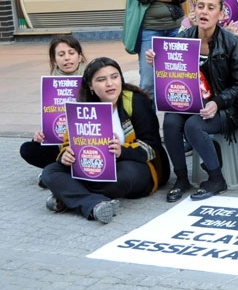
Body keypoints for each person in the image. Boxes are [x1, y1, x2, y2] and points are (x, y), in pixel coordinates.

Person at [41, 57, 170, 224]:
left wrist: (121, 150)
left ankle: (67, 196)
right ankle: (94, 205)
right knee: (50, 172)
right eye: (101, 80)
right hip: (93, 169)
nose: (110, 83)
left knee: (120, 177)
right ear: (90, 86)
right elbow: (68, 143)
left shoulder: (135, 102)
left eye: (114, 77)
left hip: (136, 167)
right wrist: (66, 154)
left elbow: (153, 148)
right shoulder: (83, 106)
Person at [149, 0, 238, 202]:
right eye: (200, 6)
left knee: (194, 125)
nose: (204, 11)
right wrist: (157, 60)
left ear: (221, 15)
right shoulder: (183, 38)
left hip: (228, 108)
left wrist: (217, 103)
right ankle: (182, 178)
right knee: (171, 120)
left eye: (211, 8)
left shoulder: (232, 43)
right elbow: (172, 71)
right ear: (193, 10)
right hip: (192, 103)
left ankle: (216, 178)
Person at [20, 36, 87, 174]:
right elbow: (51, 118)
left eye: (71, 53)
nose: (67, 58)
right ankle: (61, 169)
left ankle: (57, 172)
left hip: (86, 141)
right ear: (54, 61)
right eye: (61, 55)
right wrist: (40, 135)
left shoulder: (92, 79)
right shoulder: (50, 86)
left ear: (80, 57)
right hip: (60, 144)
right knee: (28, 148)